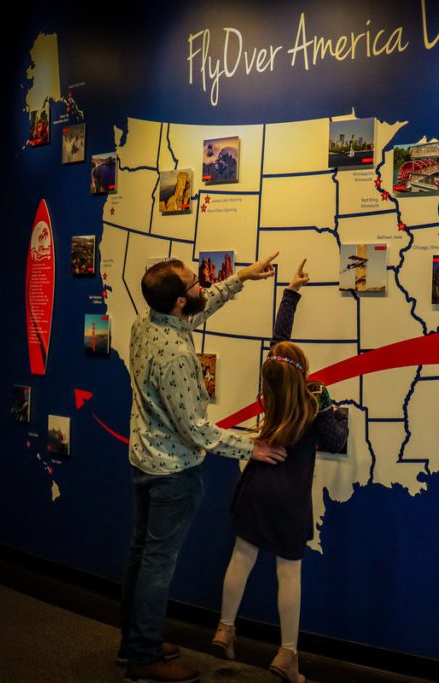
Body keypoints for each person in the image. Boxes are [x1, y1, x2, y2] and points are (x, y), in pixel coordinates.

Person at [121, 253, 287, 683]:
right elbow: (196, 430)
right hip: (172, 475)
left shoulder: (148, 322)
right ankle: (143, 658)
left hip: (144, 461)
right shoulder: (176, 354)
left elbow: (201, 305)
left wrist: (242, 277)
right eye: (194, 284)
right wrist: (251, 447)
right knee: (158, 564)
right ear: (178, 301)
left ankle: (135, 642)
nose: (201, 286)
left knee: (142, 556)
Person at [212, 259, 349, 683]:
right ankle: (287, 655)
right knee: (288, 572)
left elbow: (279, 345)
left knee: (241, 557)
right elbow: (337, 440)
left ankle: (225, 628)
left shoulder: (271, 386)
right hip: (289, 499)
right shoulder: (312, 403)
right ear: (304, 375)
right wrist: (332, 405)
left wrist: (290, 292)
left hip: (254, 486)